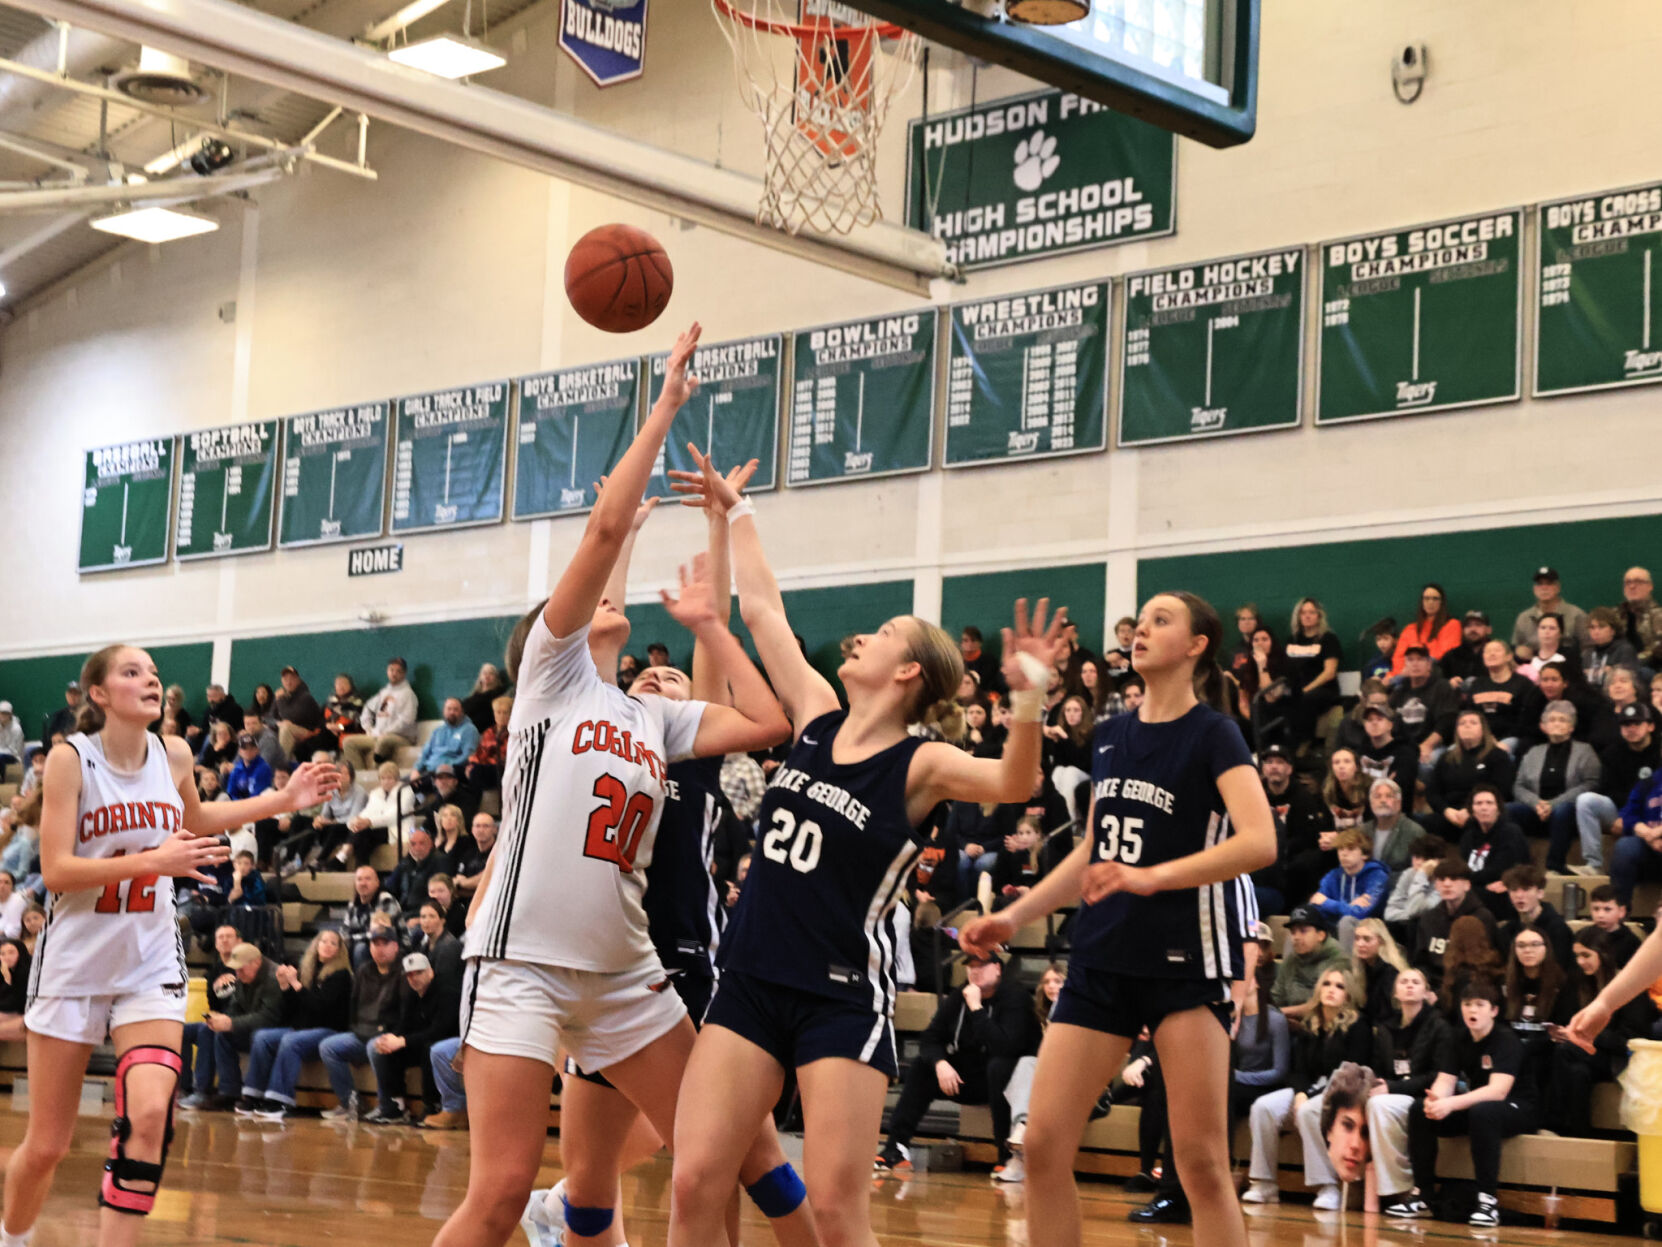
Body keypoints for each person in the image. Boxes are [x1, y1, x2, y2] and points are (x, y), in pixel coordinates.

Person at [434, 326, 799, 1247]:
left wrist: (713, 627)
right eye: (592, 600)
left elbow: (769, 723)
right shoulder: (553, 677)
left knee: (713, 1154)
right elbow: (601, 534)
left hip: (627, 971)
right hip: (521, 962)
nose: (608, 598)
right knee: (504, 1188)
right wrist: (667, 403)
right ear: (545, 641)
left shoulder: (651, 717)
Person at [952, 588, 1276, 1247]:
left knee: (1203, 1164)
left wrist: (1149, 877)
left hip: (1187, 959)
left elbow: (1260, 841)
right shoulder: (1110, 733)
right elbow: (1093, 850)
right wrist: (1015, 916)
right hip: (1102, 956)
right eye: (1142, 619)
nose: (1143, 628)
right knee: (1041, 1143)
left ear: (1196, 645)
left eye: (1163, 619)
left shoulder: (1215, 732)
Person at [1, 645, 335, 1247]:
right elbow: (54, 871)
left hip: (150, 958)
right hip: (74, 961)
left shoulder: (174, 751)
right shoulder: (70, 760)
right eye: (132, 672)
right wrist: (157, 859)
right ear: (99, 694)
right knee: (47, 1145)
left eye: (154, 672)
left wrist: (282, 802)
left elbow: (200, 816)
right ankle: (12, 1236)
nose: (150, 680)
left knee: (151, 1115)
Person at [876, 952, 1034, 1174]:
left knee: (999, 1066)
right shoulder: (960, 994)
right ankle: (896, 1148)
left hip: (1007, 1082)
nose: (974, 971)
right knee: (922, 1067)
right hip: (969, 1079)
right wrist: (941, 1063)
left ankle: (1006, 1156)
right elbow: (930, 1037)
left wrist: (977, 1008)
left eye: (981, 966)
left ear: (998, 968)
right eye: (971, 967)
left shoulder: (1015, 996)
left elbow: (1006, 1047)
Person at [1399, 978, 1535, 1226]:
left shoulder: (1505, 1040)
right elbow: (1445, 1080)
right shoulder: (1457, 1038)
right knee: (1419, 1109)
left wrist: (1451, 1104)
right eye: (1467, 1004)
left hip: (1518, 1108)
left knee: (1483, 1112)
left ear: (1494, 1011)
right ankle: (1423, 1196)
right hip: (1479, 1107)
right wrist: (1437, 1101)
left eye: (1480, 1004)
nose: (1472, 1010)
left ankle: (1487, 1201)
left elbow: (1498, 1091)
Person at [1241, 966, 1371, 1211]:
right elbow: (1298, 1069)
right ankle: (1263, 1183)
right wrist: (1300, 1093)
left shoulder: (1359, 1026)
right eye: (1327, 984)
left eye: (1339, 986)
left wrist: (1308, 1097)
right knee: (1263, 1107)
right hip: (1308, 1090)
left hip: (1342, 1095)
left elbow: (1352, 1072)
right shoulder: (1310, 1023)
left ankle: (1327, 1186)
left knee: (1308, 1111)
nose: (1331, 990)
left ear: (1348, 994)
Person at [237, 928, 353, 1121]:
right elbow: (293, 1010)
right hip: (303, 1029)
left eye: (333, 943)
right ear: (316, 945)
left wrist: (296, 985)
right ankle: (253, 1094)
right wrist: (285, 986)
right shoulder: (308, 970)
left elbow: (320, 1006)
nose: (327, 945)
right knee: (262, 1037)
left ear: (340, 950)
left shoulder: (341, 975)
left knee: (291, 1040)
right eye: (323, 941)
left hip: (329, 1030)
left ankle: (280, 1100)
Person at [1552, 927, 1656, 1136]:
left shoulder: (1628, 989)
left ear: (1604, 953)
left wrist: (1590, 1034)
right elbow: (1562, 1018)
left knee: (1566, 1053)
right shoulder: (1576, 983)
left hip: (1618, 1057)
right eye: (1577, 956)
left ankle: (1552, 1121)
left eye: (1586, 955)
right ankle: (1579, 1134)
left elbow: (1630, 1041)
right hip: (1586, 1055)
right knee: (1577, 1072)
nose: (1580, 962)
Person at [1368, 968, 1450, 1216]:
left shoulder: (1438, 1025)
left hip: (1424, 1095)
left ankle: (1403, 1187)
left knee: (1379, 1105)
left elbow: (1438, 1074)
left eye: (1416, 982)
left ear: (1426, 992)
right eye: (1404, 982)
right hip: (1393, 1094)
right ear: (1395, 992)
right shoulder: (1385, 1028)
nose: (1410, 985)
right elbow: (1378, 1068)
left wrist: (1392, 1087)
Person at [178, 942, 282, 1110]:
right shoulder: (244, 975)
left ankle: (224, 1092)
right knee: (206, 1029)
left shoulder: (273, 978)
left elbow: (268, 1018)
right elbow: (235, 1006)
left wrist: (231, 1023)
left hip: (272, 1030)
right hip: (251, 1026)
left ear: (256, 962)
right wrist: (221, 1018)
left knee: (225, 1034)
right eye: (236, 970)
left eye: (241, 969)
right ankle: (201, 1090)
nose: (238, 974)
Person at [317, 927, 406, 1121]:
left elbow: (405, 1013)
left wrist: (393, 1036)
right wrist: (356, 1032)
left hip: (387, 1035)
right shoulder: (364, 970)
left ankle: (388, 1106)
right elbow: (354, 1007)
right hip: (361, 1033)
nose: (380, 948)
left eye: (385, 944)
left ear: (396, 946)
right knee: (328, 1046)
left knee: (376, 1047)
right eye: (375, 944)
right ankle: (350, 1102)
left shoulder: (403, 972)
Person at [363, 950, 460, 1125]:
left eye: (419, 973)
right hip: (424, 1041)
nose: (413, 978)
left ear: (430, 971)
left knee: (429, 1049)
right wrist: (391, 1039)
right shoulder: (413, 993)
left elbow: (440, 1030)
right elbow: (404, 1024)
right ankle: (394, 1106)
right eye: (409, 975)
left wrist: (402, 1041)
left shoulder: (447, 991)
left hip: (449, 1042)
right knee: (384, 1048)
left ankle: (432, 1106)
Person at [1511, 700, 1601, 862]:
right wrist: (1537, 803)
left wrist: (1553, 804)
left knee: (1563, 811)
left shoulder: (1585, 751)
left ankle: (1555, 865)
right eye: (1552, 720)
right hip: (1537, 811)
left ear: (1571, 727)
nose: (1557, 724)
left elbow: (1590, 784)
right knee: (1507, 810)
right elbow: (1519, 786)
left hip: (1568, 814)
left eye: (1562, 720)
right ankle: (1519, 863)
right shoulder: (1533, 752)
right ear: (1543, 726)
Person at [1574, 703, 1657, 876]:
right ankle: (1594, 864)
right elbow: (1607, 790)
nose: (1631, 729)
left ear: (1650, 726)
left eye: (1637, 723)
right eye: (1626, 724)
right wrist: (1624, 815)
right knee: (1586, 800)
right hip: (1619, 811)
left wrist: (1630, 818)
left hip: (1653, 815)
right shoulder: (1612, 753)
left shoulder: (1660, 752)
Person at [1425, 710, 1515, 840]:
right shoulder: (1446, 758)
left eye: (1473, 723)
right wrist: (1446, 810)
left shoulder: (1497, 755)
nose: (1467, 726)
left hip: (1481, 810)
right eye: (1462, 723)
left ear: (1483, 729)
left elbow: (1502, 790)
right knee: (1424, 822)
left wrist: (1471, 811)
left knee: (1484, 821)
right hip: (1451, 812)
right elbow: (1432, 791)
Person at [1412, 859, 1497, 991]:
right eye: (1441, 879)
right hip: (1432, 986)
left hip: (1468, 988)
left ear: (1467, 885)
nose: (1447, 884)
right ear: (1436, 885)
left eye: (1454, 879)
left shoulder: (1483, 918)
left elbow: (1486, 964)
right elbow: (1421, 962)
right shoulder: (1428, 918)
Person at [1310, 830, 1390, 946]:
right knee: (1303, 922)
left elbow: (1361, 914)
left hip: (1371, 932)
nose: (1344, 854)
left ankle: (1348, 964)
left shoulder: (1377, 876)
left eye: (1351, 849)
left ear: (1365, 854)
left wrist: (1327, 903)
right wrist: (1349, 907)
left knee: (1346, 921)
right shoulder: (1333, 875)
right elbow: (1315, 905)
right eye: (1340, 849)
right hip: (1335, 928)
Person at [1271, 905, 1349, 1023]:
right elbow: (1276, 997)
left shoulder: (1337, 959)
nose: (1296, 937)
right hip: (1291, 1024)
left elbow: (1324, 1004)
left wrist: (1281, 1013)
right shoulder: (1291, 959)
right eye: (1293, 932)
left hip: (1327, 1026)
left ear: (1320, 935)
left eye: (1303, 931)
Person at [341, 658, 418, 771]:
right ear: (387, 671)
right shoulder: (384, 692)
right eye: (391, 670)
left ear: (404, 674)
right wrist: (368, 728)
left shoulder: (408, 694)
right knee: (348, 742)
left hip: (401, 737)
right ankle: (361, 777)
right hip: (377, 735)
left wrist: (386, 732)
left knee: (383, 741)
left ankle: (375, 773)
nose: (394, 673)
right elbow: (368, 707)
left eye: (398, 671)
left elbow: (407, 720)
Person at [1464, 639, 1542, 753]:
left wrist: (1497, 741)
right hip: (1480, 737)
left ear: (1509, 656)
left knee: (1497, 752)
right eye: (1487, 651)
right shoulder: (1477, 684)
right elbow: (1469, 714)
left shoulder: (1523, 684)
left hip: (1510, 738)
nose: (1491, 654)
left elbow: (1526, 719)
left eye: (1496, 650)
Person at [1388, 647, 1459, 770]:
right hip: (1404, 747)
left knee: (1425, 766)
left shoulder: (1442, 687)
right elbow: (1390, 723)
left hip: (1436, 746)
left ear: (1429, 664)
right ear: (1405, 665)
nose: (1415, 664)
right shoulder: (1399, 691)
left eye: (1420, 659)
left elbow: (1447, 722)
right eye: (1410, 660)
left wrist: (1427, 745)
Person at [1283, 599, 1342, 745]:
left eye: (1311, 612)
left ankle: (1304, 744)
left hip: (1323, 690)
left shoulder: (1328, 639)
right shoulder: (1292, 640)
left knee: (1306, 700)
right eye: (1303, 612)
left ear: (1319, 616)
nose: (1307, 616)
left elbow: (1330, 673)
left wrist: (1306, 689)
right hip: (1297, 688)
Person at [1496, 864, 1572, 966]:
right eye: (1514, 890)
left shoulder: (1557, 928)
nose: (1519, 895)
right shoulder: (1507, 931)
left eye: (1526, 889)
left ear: (1540, 893)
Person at [1513, 567, 1589, 659]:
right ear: (1534, 589)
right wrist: (1521, 652)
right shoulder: (1524, 617)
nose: (1544, 588)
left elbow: (1588, 646)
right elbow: (1516, 646)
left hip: (1568, 665)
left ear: (1558, 588)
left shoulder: (1576, 614)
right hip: (1533, 666)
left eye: (1549, 584)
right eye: (1540, 584)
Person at [1390, 585, 1460, 678]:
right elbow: (1398, 658)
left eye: (1435, 599)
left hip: (1435, 677)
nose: (1430, 602)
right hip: (1404, 677)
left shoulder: (1452, 625)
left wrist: (1414, 668)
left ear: (1441, 603)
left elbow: (1443, 656)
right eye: (1426, 598)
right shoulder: (1409, 629)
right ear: (1422, 602)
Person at [1351, 917, 1408, 1025]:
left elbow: (1390, 1016)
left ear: (1381, 941)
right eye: (1357, 938)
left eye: (1366, 939)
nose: (1360, 944)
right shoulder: (1361, 969)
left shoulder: (1391, 973)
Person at [342, 865, 402, 969]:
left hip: (393, 947)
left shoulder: (386, 900)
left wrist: (350, 939)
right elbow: (344, 932)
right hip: (363, 945)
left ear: (377, 883)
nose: (363, 883)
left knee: (360, 949)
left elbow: (380, 933)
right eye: (359, 879)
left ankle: (362, 984)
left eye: (368, 879)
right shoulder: (353, 904)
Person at [412, 698, 480, 787]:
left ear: (462, 712)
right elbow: (425, 753)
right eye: (449, 709)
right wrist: (415, 770)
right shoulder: (438, 731)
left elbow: (468, 756)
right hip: (428, 770)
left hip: (447, 773)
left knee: (412, 788)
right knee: (401, 785)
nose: (452, 712)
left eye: (455, 709)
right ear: (444, 711)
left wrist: (445, 767)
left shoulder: (469, 730)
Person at [1359, 779, 1423, 874]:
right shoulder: (1362, 831)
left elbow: (1419, 873)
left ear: (1398, 802)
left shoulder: (1415, 832)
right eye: (1377, 796)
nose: (1383, 800)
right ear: (1371, 803)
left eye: (1389, 796)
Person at [273, 667, 329, 761]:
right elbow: (268, 717)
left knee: (286, 728)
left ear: (298, 680)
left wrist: (280, 700)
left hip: (309, 732)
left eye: (291, 679)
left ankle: (281, 766)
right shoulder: (284, 696)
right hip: (292, 731)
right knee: (265, 730)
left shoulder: (305, 697)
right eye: (285, 679)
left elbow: (291, 717)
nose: (288, 682)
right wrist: (277, 723)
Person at [1354, 708, 1417, 793]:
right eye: (1369, 720)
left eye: (1380, 719)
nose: (1374, 723)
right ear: (1365, 726)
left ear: (1390, 725)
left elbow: (1400, 788)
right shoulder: (1360, 752)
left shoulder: (1405, 754)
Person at [1584, 608, 1641, 689]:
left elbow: (1627, 679)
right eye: (1592, 628)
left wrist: (1592, 672)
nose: (1596, 632)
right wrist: (1604, 671)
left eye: (1601, 627)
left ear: (1613, 630)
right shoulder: (1587, 654)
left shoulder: (1625, 650)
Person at [1616, 567, 1662, 667]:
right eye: (1628, 582)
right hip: (1616, 670)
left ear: (1650, 586)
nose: (1632, 586)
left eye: (1638, 581)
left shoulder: (1658, 615)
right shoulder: (1615, 615)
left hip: (1651, 669)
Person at [1586, 886, 1643, 967]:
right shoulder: (1584, 935)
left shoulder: (1631, 942)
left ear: (1621, 911)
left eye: (1607, 909)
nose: (1600, 915)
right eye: (1596, 909)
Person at [466, 695, 513, 792]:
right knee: (460, 770)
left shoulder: (513, 733)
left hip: (503, 769)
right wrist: (472, 764)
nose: (501, 716)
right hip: (485, 767)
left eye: (505, 713)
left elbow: (505, 758)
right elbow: (479, 753)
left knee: (477, 772)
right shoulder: (489, 732)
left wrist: (483, 763)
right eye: (498, 712)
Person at [1443, 610, 1496, 685]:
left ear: (1489, 630)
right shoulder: (1452, 656)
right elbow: (1438, 682)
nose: (1473, 629)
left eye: (1478, 625)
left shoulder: (1497, 655)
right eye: (1468, 625)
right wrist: (1448, 683)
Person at [461, 663, 510, 735]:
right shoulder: (473, 696)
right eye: (484, 673)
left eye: (491, 673)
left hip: (486, 733)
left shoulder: (499, 696)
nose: (487, 676)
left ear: (496, 678)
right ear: (480, 677)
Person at [321, 673, 364, 748]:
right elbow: (320, 719)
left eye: (344, 683)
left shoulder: (358, 702)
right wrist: (328, 725)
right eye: (338, 684)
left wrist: (340, 728)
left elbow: (361, 725)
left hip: (349, 734)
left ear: (351, 686)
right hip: (331, 733)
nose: (341, 686)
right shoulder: (330, 702)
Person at [0, 938, 31, 1042]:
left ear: (20, 952)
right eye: (2, 954)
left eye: (11, 952)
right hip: (13, 1008)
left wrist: (7, 980)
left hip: (26, 1011)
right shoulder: (5, 969)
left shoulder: (26, 970)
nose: (6, 957)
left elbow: (15, 1003)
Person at [0, 701, 23, 784]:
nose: (3, 716)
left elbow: (16, 750)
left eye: (6, 713)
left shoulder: (16, 729)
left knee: (1, 757)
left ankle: (4, 781)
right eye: (1, 713)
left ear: (10, 714)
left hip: (12, 755)